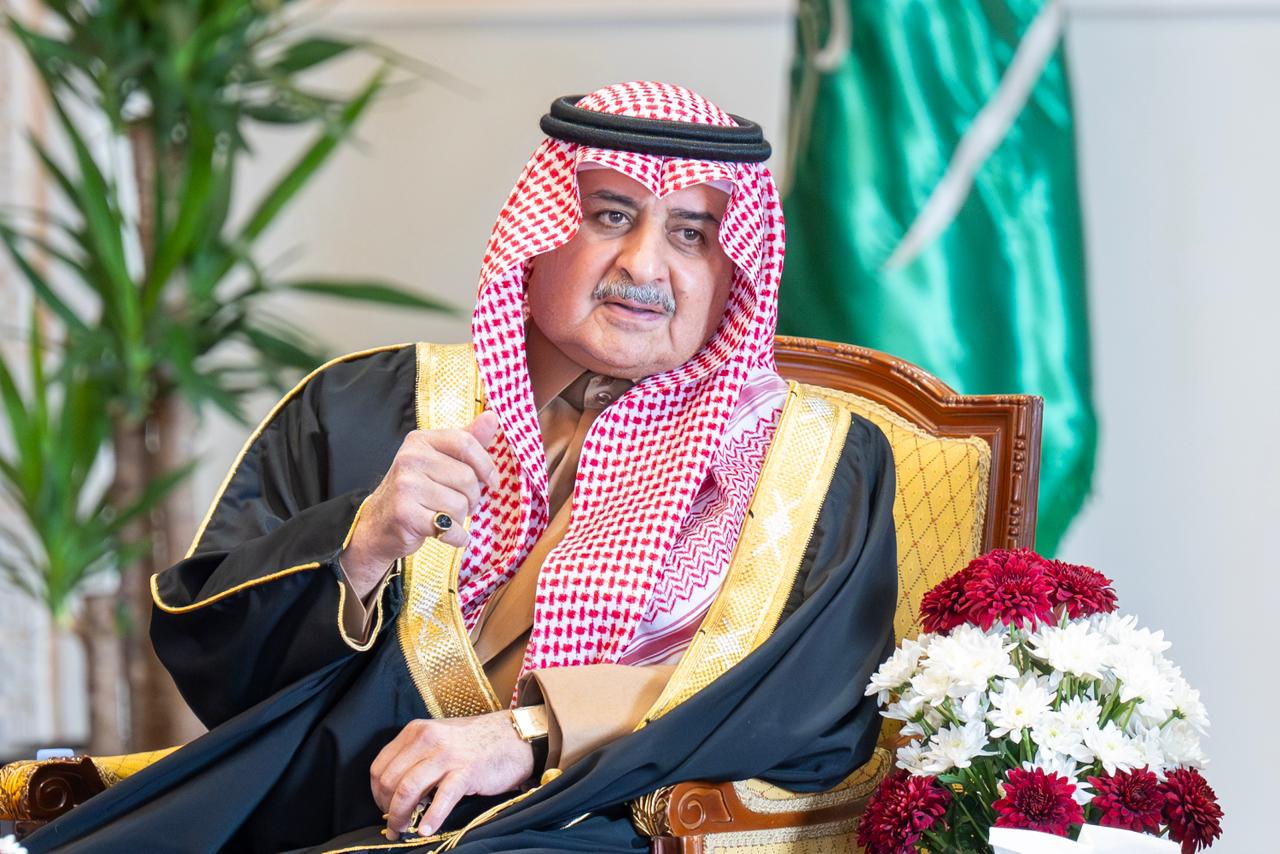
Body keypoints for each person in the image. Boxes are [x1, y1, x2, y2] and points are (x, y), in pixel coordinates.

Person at [23, 82, 898, 854]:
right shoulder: (366, 406)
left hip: (589, 821)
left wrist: (534, 731)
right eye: (610, 216)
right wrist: (360, 546)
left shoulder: (813, 459)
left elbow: (808, 698)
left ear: (733, 266)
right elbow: (218, 665)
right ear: (539, 231)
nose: (643, 265)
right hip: (315, 807)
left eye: (692, 233)